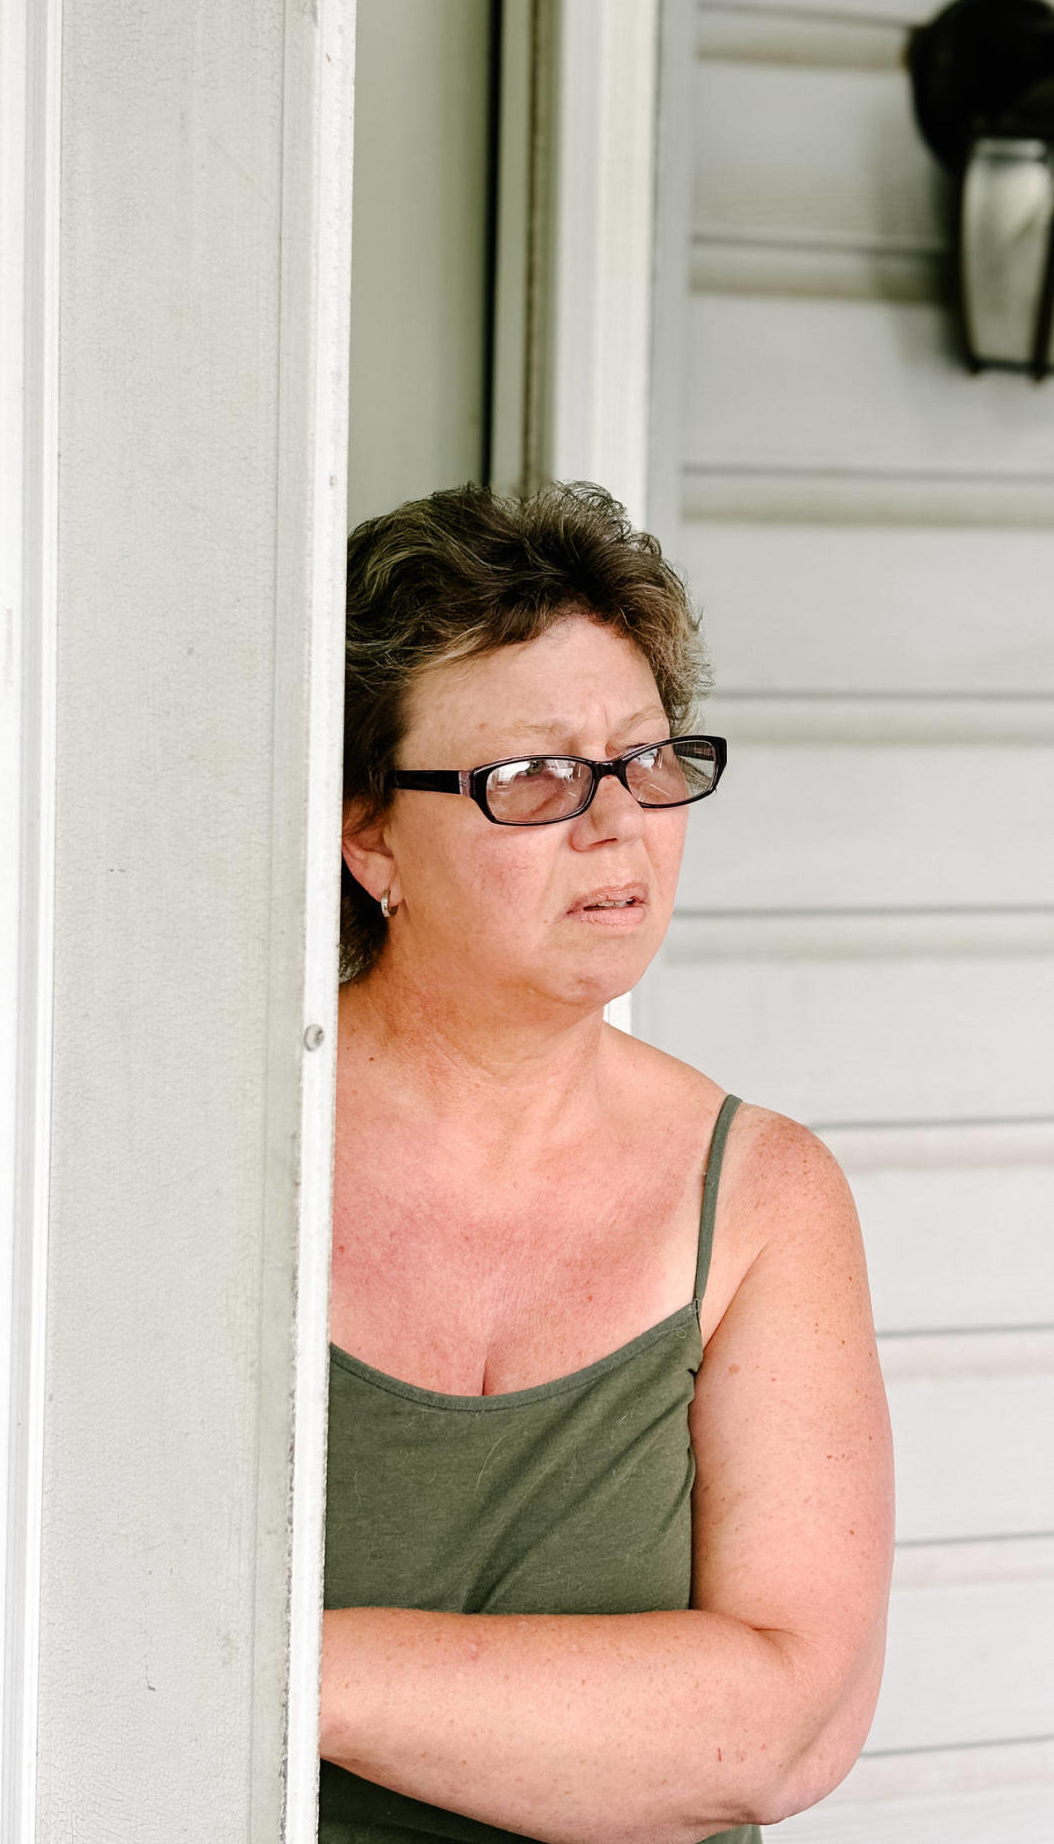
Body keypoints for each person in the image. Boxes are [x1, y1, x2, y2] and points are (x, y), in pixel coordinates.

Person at [321, 482, 893, 1844]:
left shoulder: (761, 1195)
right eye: (531, 778)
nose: (615, 825)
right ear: (370, 836)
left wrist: (285, 1666)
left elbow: (780, 1724)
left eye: (645, 760)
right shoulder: (219, 1150)